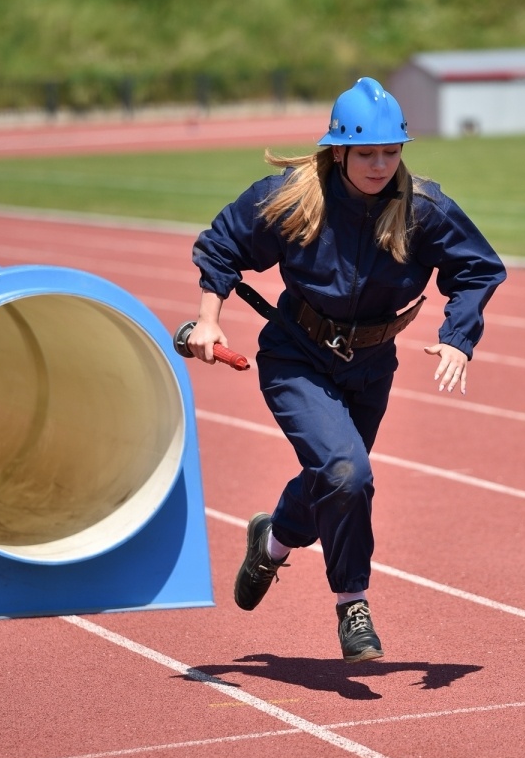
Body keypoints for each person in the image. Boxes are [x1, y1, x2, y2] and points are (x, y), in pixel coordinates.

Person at [189, 76, 506, 662]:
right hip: (295, 357)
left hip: (370, 366)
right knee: (347, 474)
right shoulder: (291, 197)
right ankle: (352, 604)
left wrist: (459, 337)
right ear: (339, 150)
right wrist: (208, 318)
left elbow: (479, 268)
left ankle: (274, 541)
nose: (381, 164)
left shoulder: (423, 209)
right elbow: (222, 245)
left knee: (333, 482)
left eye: (392, 151)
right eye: (367, 152)